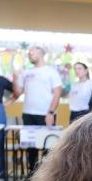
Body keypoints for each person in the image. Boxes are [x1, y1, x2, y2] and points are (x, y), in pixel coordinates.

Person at [15, 46, 62, 174]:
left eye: (33, 52)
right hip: (28, 113)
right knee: (31, 146)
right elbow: (18, 92)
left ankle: (46, 175)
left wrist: (51, 112)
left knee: (47, 146)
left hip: (45, 114)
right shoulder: (26, 73)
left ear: (42, 53)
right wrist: (15, 77)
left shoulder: (51, 72)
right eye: (29, 52)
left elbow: (57, 93)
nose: (30, 54)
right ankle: (32, 174)